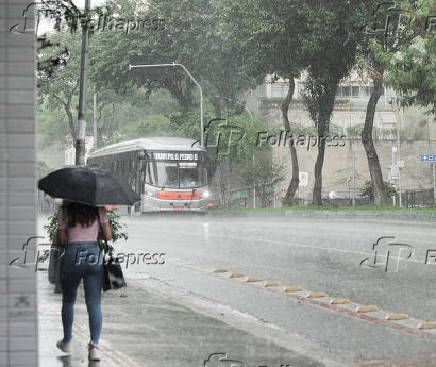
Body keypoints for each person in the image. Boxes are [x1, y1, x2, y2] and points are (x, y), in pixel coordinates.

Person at [55, 201, 112, 361]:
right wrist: (94, 235)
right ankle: (94, 346)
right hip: (93, 254)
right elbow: (108, 235)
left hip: (73, 254)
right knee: (94, 303)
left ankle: (67, 340)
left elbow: (61, 239)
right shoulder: (98, 209)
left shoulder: (65, 210)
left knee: (68, 301)